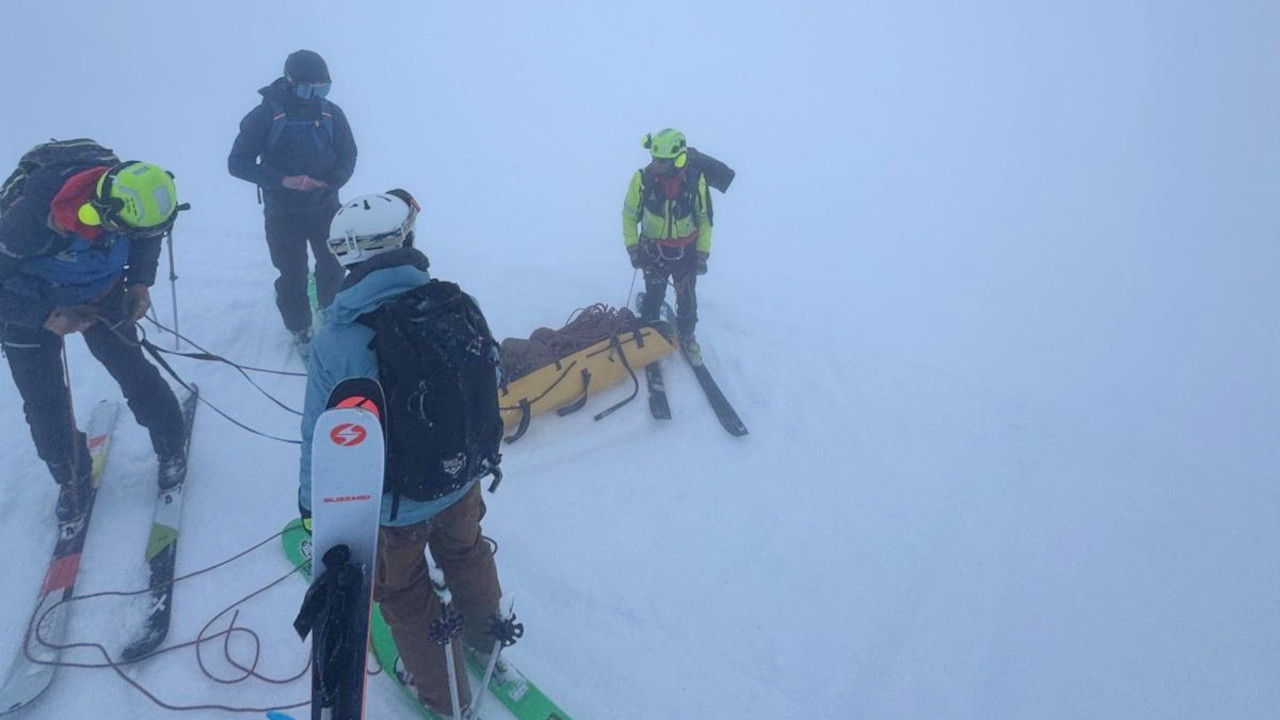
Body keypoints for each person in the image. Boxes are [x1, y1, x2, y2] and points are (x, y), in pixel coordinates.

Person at [298, 190, 502, 716]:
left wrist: (311, 507)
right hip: (462, 480)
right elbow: (490, 378)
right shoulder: (456, 303)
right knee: (466, 551)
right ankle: (485, 637)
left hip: (395, 507)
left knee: (407, 595)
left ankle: (443, 696)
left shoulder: (337, 341)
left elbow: (322, 433)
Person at [0, 151, 187, 523]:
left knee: (131, 367)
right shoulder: (25, 225)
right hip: (26, 307)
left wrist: (139, 283)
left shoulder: (136, 192)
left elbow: (146, 235)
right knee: (44, 401)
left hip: (102, 291)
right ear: (104, 211)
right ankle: (71, 476)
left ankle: (171, 443)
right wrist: (45, 315)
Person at [228, 49, 357, 357]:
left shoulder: (330, 113)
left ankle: (329, 309)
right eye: (306, 89)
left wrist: (331, 183)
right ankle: (300, 329)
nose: (313, 96)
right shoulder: (264, 116)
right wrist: (282, 180)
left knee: (333, 263)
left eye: (321, 89)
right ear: (289, 82)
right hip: (282, 212)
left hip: (325, 203)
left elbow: (348, 154)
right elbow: (238, 163)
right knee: (292, 273)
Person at [623, 127, 713, 359]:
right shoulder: (642, 179)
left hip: (687, 254)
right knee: (654, 294)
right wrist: (633, 248)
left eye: (661, 162)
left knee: (687, 300)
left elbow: (704, 220)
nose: (655, 165)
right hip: (653, 252)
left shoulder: (695, 182)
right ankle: (649, 329)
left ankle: (687, 335)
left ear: (678, 159)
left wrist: (702, 255)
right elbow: (629, 215)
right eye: (654, 160)